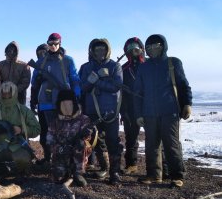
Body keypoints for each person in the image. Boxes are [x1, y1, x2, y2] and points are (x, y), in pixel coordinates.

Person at [134, 34, 192, 188]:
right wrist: (139, 114)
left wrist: (187, 104)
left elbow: (184, 86)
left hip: (170, 111)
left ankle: (177, 176)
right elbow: (138, 93)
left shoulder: (173, 63)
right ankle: (154, 175)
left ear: (163, 46)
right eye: (149, 47)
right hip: (149, 113)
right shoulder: (143, 67)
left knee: (171, 144)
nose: (153, 49)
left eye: (156, 45)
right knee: (151, 145)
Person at [79, 38, 124, 184]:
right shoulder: (85, 67)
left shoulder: (115, 66)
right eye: (97, 49)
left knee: (113, 142)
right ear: (92, 51)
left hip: (110, 111)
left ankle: (115, 173)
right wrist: (90, 82)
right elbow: (83, 89)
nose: (100, 52)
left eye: (102, 49)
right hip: (92, 111)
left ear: (107, 50)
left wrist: (98, 81)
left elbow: (117, 86)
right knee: (96, 142)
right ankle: (104, 167)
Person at [35, 33, 81, 163]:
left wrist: (77, 96)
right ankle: (50, 159)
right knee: (50, 133)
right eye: (50, 44)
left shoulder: (68, 60)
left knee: (65, 132)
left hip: (65, 102)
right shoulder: (41, 62)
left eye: (56, 43)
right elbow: (34, 83)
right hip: (46, 102)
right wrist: (38, 80)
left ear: (60, 43)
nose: (53, 46)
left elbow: (75, 79)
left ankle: (64, 160)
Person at [0, 82, 41, 176]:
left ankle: (18, 172)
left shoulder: (24, 111)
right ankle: (4, 172)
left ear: (14, 94)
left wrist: (21, 129)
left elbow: (36, 129)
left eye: (9, 95)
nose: (7, 98)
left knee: (24, 159)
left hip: (17, 146)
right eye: (4, 96)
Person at [47, 90, 94, 186]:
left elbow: (88, 140)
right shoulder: (55, 122)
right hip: (61, 152)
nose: (66, 107)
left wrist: (86, 135)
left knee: (80, 144)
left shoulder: (83, 119)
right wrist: (57, 147)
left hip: (77, 153)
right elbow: (49, 139)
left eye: (69, 104)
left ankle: (78, 173)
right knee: (57, 178)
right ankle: (64, 172)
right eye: (63, 104)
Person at [120, 37, 145, 174]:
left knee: (156, 138)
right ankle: (131, 164)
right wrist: (123, 111)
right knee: (130, 138)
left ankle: (161, 169)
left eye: (136, 47)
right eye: (130, 48)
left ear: (141, 49)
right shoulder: (123, 69)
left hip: (148, 106)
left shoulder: (149, 65)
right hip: (129, 107)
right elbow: (121, 92)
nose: (133, 50)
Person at [30, 44, 50, 164]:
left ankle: (57, 160)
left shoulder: (55, 65)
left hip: (54, 106)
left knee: (55, 135)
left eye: (44, 53)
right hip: (42, 106)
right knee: (43, 135)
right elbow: (34, 86)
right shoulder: (37, 68)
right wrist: (33, 102)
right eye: (39, 53)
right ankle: (47, 158)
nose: (41, 55)